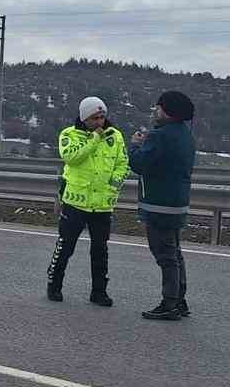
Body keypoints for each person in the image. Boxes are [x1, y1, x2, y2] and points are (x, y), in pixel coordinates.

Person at [46, 96, 130, 306]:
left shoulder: (115, 136)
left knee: (100, 249)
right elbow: (72, 158)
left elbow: (123, 163)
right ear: (84, 118)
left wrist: (114, 184)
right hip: (75, 202)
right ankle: (54, 283)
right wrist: (93, 139)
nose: (99, 122)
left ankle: (99, 291)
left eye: (102, 117)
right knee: (66, 246)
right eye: (94, 118)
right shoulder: (69, 134)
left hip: (102, 204)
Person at [130, 90, 197, 321]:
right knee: (175, 253)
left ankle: (169, 303)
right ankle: (180, 300)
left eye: (158, 108)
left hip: (159, 205)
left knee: (165, 256)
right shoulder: (186, 135)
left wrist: (135, 145)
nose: (155, 112)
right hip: (177, 203)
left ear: (167, 111)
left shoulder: (160, 136)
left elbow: (139, 164)